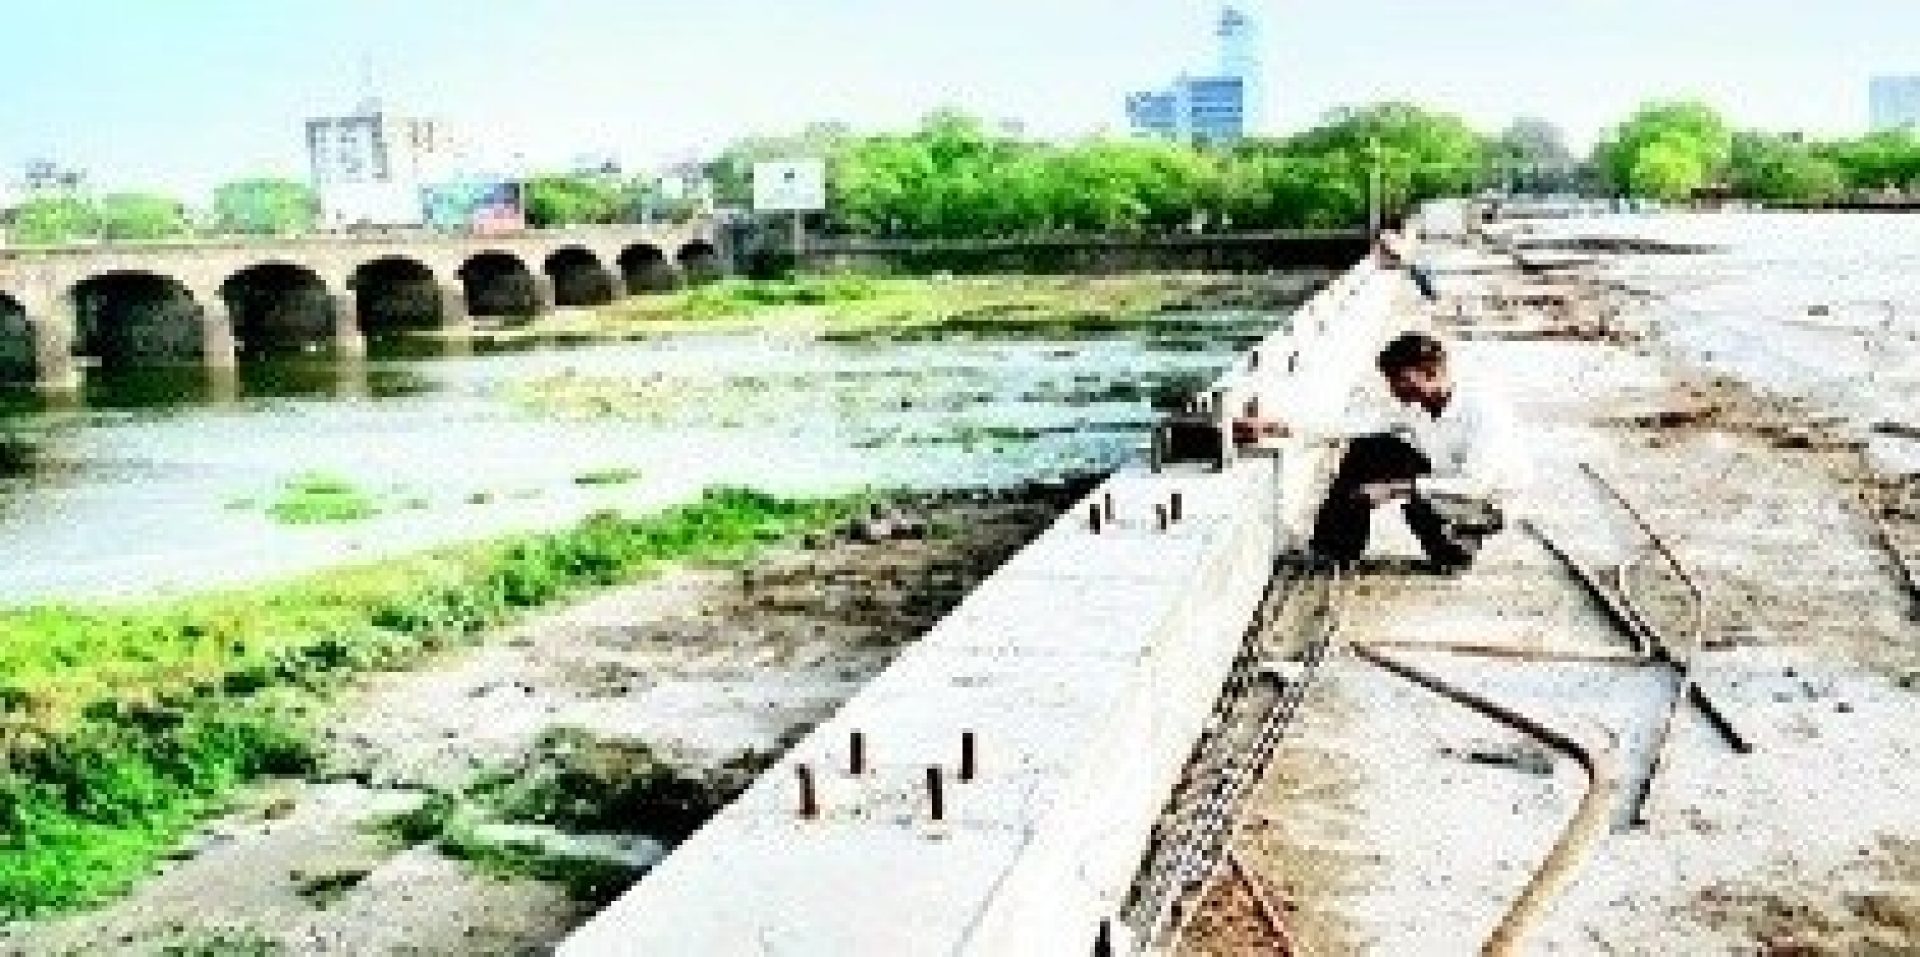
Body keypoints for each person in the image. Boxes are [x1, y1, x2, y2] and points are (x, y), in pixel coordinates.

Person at [1236, 332, 1527, 572]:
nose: (1394, 389)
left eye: (1401, 379)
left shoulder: (1485, 412)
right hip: (1443, 482)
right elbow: (1346, 425)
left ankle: (1457, 546)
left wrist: (1393, 488)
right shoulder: (1414, 404)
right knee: (1369, 449)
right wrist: (1273, 427)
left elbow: (1476, 485)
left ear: (1431, 373)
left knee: (1421, 499)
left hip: (1484, 504)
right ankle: (1334, 552)